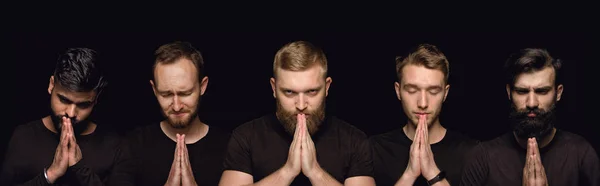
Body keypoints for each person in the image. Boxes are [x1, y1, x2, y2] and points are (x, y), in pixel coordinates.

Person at [218, 41, 376, 186]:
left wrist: (315, 172)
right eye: (289, 92)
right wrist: (287, 172)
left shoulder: (354, 140)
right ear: (274, 88)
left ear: (327, 87)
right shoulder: (246, 136)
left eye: (312, 91)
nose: (301, 105)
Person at [460, 48, 600, 186]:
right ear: (509, 92)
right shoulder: (483, 158)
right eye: (522, 91)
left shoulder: (581, 154)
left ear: (558, 93)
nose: (531, 103)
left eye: (542, 91)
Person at [0, 47, 133, 185]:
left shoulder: (116, 145)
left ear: (96, 99)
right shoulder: (23, 137)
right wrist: (50, 175)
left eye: (83, 105)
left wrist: (80, 169)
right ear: (51, 85)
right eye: (64, 100)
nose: (71, 113)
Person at [369, 44, 477, 186]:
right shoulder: (373, 149)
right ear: (398, 91)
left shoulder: (472, 153)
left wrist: (432, 172)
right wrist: (410, 174)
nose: (423, 103)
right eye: (412, 90)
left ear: (445, 93)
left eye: (433, 91)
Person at [126, 41, 230, 186]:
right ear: (154, 90)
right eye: (166, 94)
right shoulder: (132, 145)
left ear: (203, 86)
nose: (176, 106)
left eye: (185, 93)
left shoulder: (230, 146)